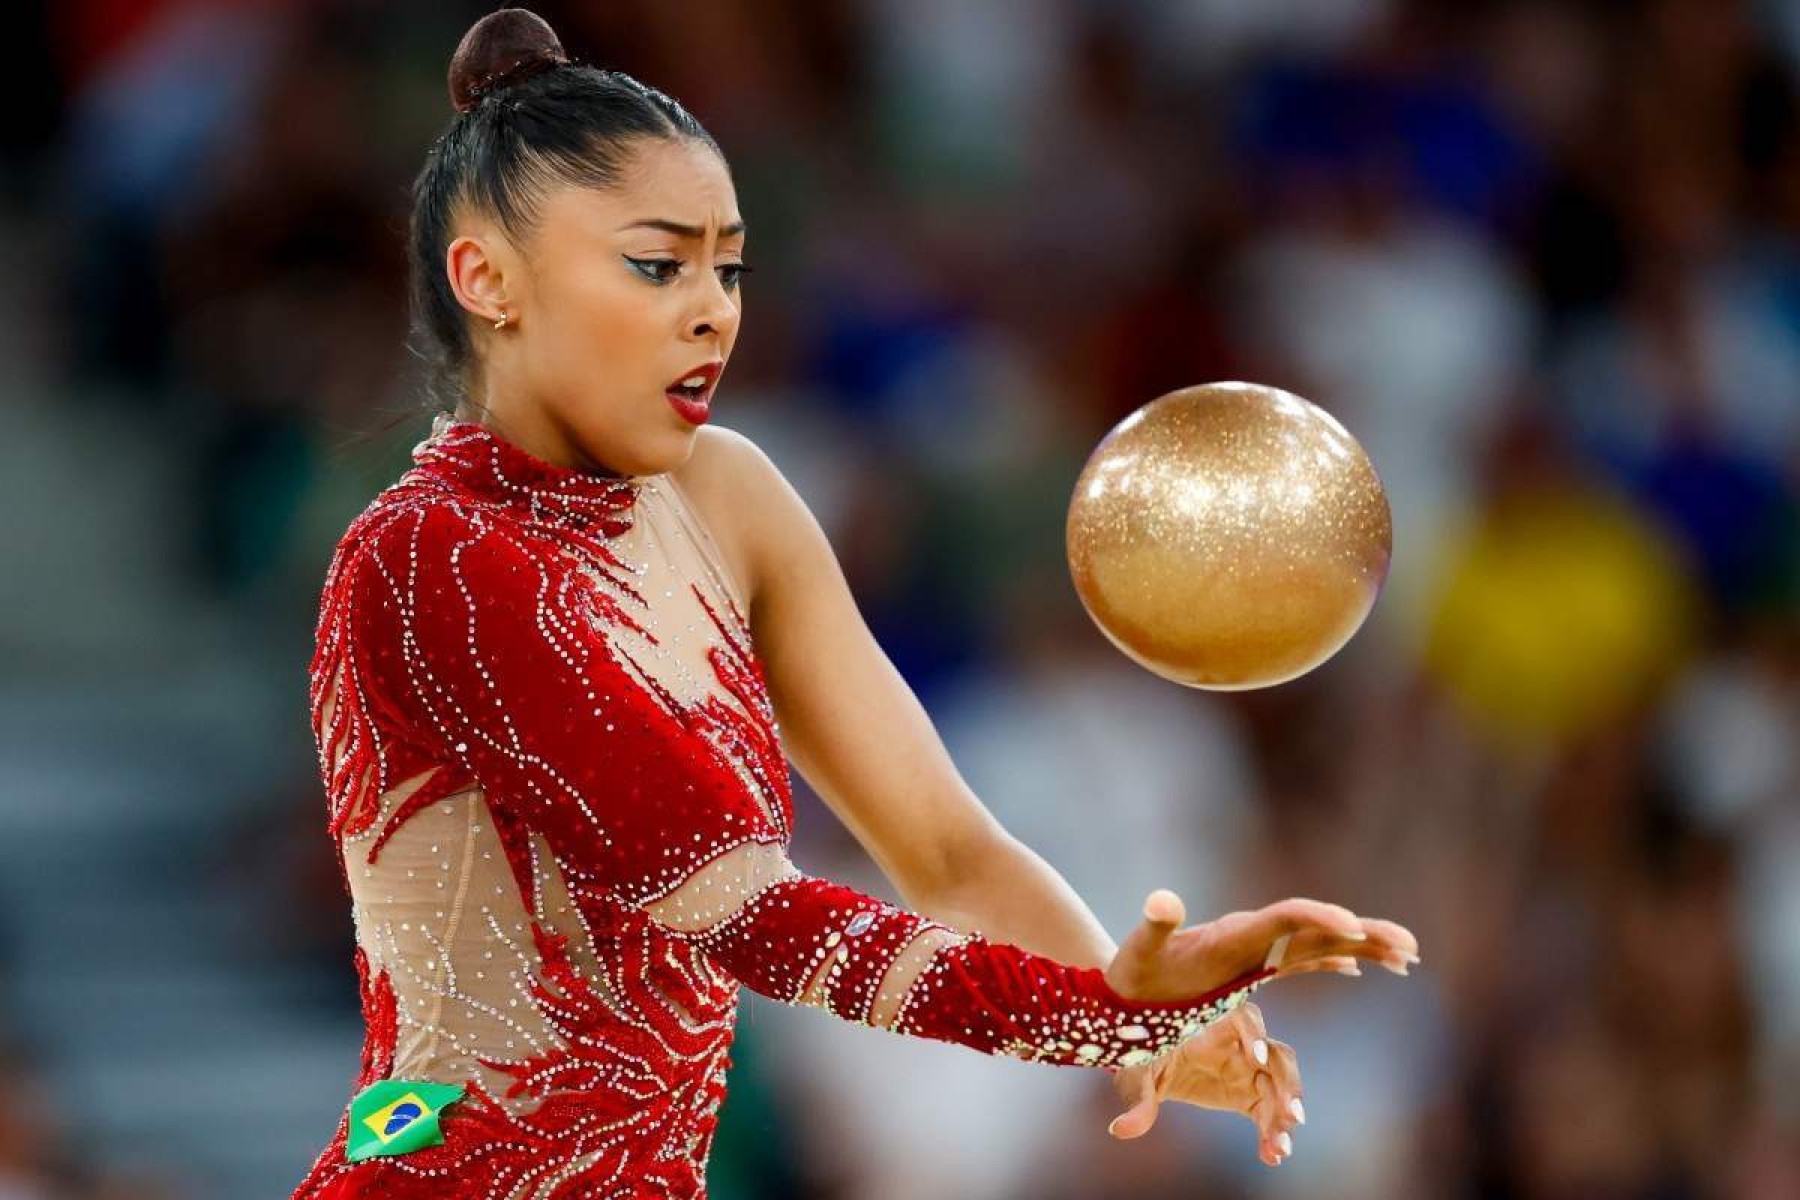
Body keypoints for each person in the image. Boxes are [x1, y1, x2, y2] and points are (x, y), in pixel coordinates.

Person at [291, 10, 1421, 1198]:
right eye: (655, 264)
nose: (712, 310)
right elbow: (746, 912)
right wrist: (1094, 1020)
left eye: (728, 266)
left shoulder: (730, 499)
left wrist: (1135, 1013)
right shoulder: (432, 558)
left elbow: (945, 847)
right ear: (488, 280)